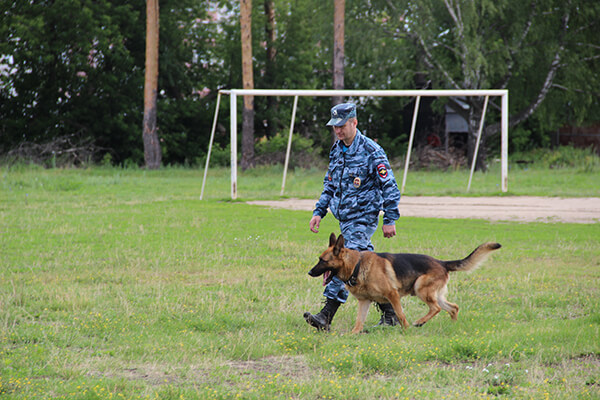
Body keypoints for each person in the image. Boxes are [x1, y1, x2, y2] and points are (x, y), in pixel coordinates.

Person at [303, 102, 402, 331]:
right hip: (345, 219)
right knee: (368, 268)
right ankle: (390, 313)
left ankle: (326, 316)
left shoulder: (371, 151)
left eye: (342, 126)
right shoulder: (337, 149)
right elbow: (329, 184)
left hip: (363, 218)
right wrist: (319, 212)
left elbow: (390, 187)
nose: (338, 131)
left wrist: (389, 218)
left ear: (354, 122)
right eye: (335, 127)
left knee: (344, 264)